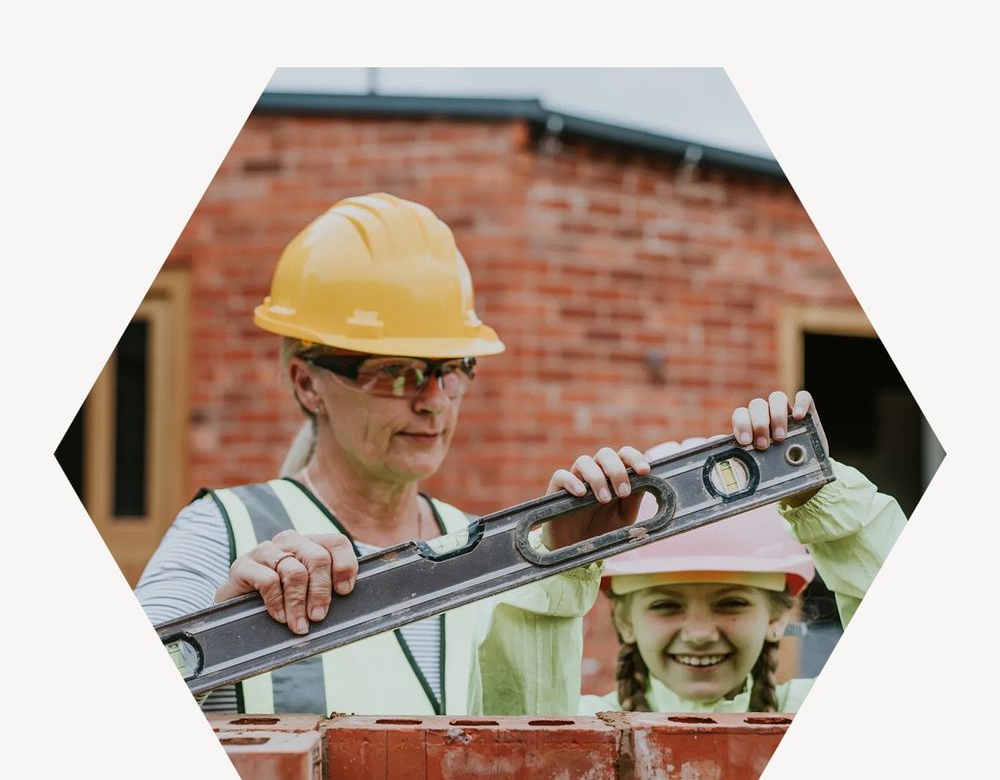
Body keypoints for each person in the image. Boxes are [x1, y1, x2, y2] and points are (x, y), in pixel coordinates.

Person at [136, 192, 648, 716]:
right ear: (308, 384)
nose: (432, 402)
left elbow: (528, 745)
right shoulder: (222, 532)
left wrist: (552, 565)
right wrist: (224, 628)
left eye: (452, 371)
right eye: (397, 372)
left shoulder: (485, 546)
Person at [579, 392, 908, 714]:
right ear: (624, 620)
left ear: (778, 616)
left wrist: (818, 490)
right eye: (665, 606)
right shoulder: (577, 720)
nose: (700, 634)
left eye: (731, 602)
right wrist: (551, 581)